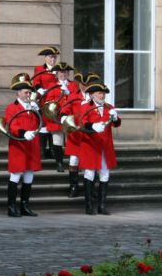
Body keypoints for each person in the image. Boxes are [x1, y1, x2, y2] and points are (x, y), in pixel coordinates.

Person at [78, 82, 121, 215]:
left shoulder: (109, 107)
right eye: (99, 93)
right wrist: (92, 126)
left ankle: (102, 206)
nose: (102, 96)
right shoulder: (85, 107)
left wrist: (115, 118)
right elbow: (82, 123)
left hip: (105, 144)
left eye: (103, 93)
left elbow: (116, 124)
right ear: (91, 95)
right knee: (90, 173)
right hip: (91, 144)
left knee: (105, 173)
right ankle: (89, 205)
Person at [4, 74, 44, 217]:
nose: (28, 94)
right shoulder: (11, 108)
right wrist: (23, 133)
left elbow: (41, 123)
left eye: (29, 92)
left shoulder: (33, 107)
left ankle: (24, 206)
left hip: (32, 144)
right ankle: (11, 206)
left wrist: (37, 110)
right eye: (26, 92)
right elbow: (12, 126)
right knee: (15, 175)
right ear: (18, 93)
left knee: (29, 176)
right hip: (19, 144)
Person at [60, 71, 100, 198]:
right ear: (79, 83)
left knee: (91, 161)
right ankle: (74, 186)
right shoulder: (72, 96)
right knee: (74, 160)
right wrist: (64, 118)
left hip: (90, 134)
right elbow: (64, 110)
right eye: (83, 84)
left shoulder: (95, 96)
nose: (85, 86)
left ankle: (91, 187)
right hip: (76, 133)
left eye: (87, 84)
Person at [40, 62, 77, 172]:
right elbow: (48, 101)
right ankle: (59, 163)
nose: (63, 74)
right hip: (56, 118)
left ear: (68, 73)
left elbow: (77, 99)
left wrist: (68, 92)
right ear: (56, 74)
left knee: (73, 141)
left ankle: (74, 163)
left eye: (65, 72)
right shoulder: (52, 85)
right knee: (57, 142)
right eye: (61, 72)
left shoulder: (74, 85)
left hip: (70, 117)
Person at [33, 46, 60, 158]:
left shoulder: (59, 69)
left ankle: (53, 150)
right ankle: (43, 150)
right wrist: (39, 89)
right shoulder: (39, 69)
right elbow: (36, 80)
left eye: (54, 57)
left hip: (56, 100)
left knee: (53, 123)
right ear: (45, 58)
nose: (53, 60)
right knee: (44, 123)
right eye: (50, 57)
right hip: (43, 99)